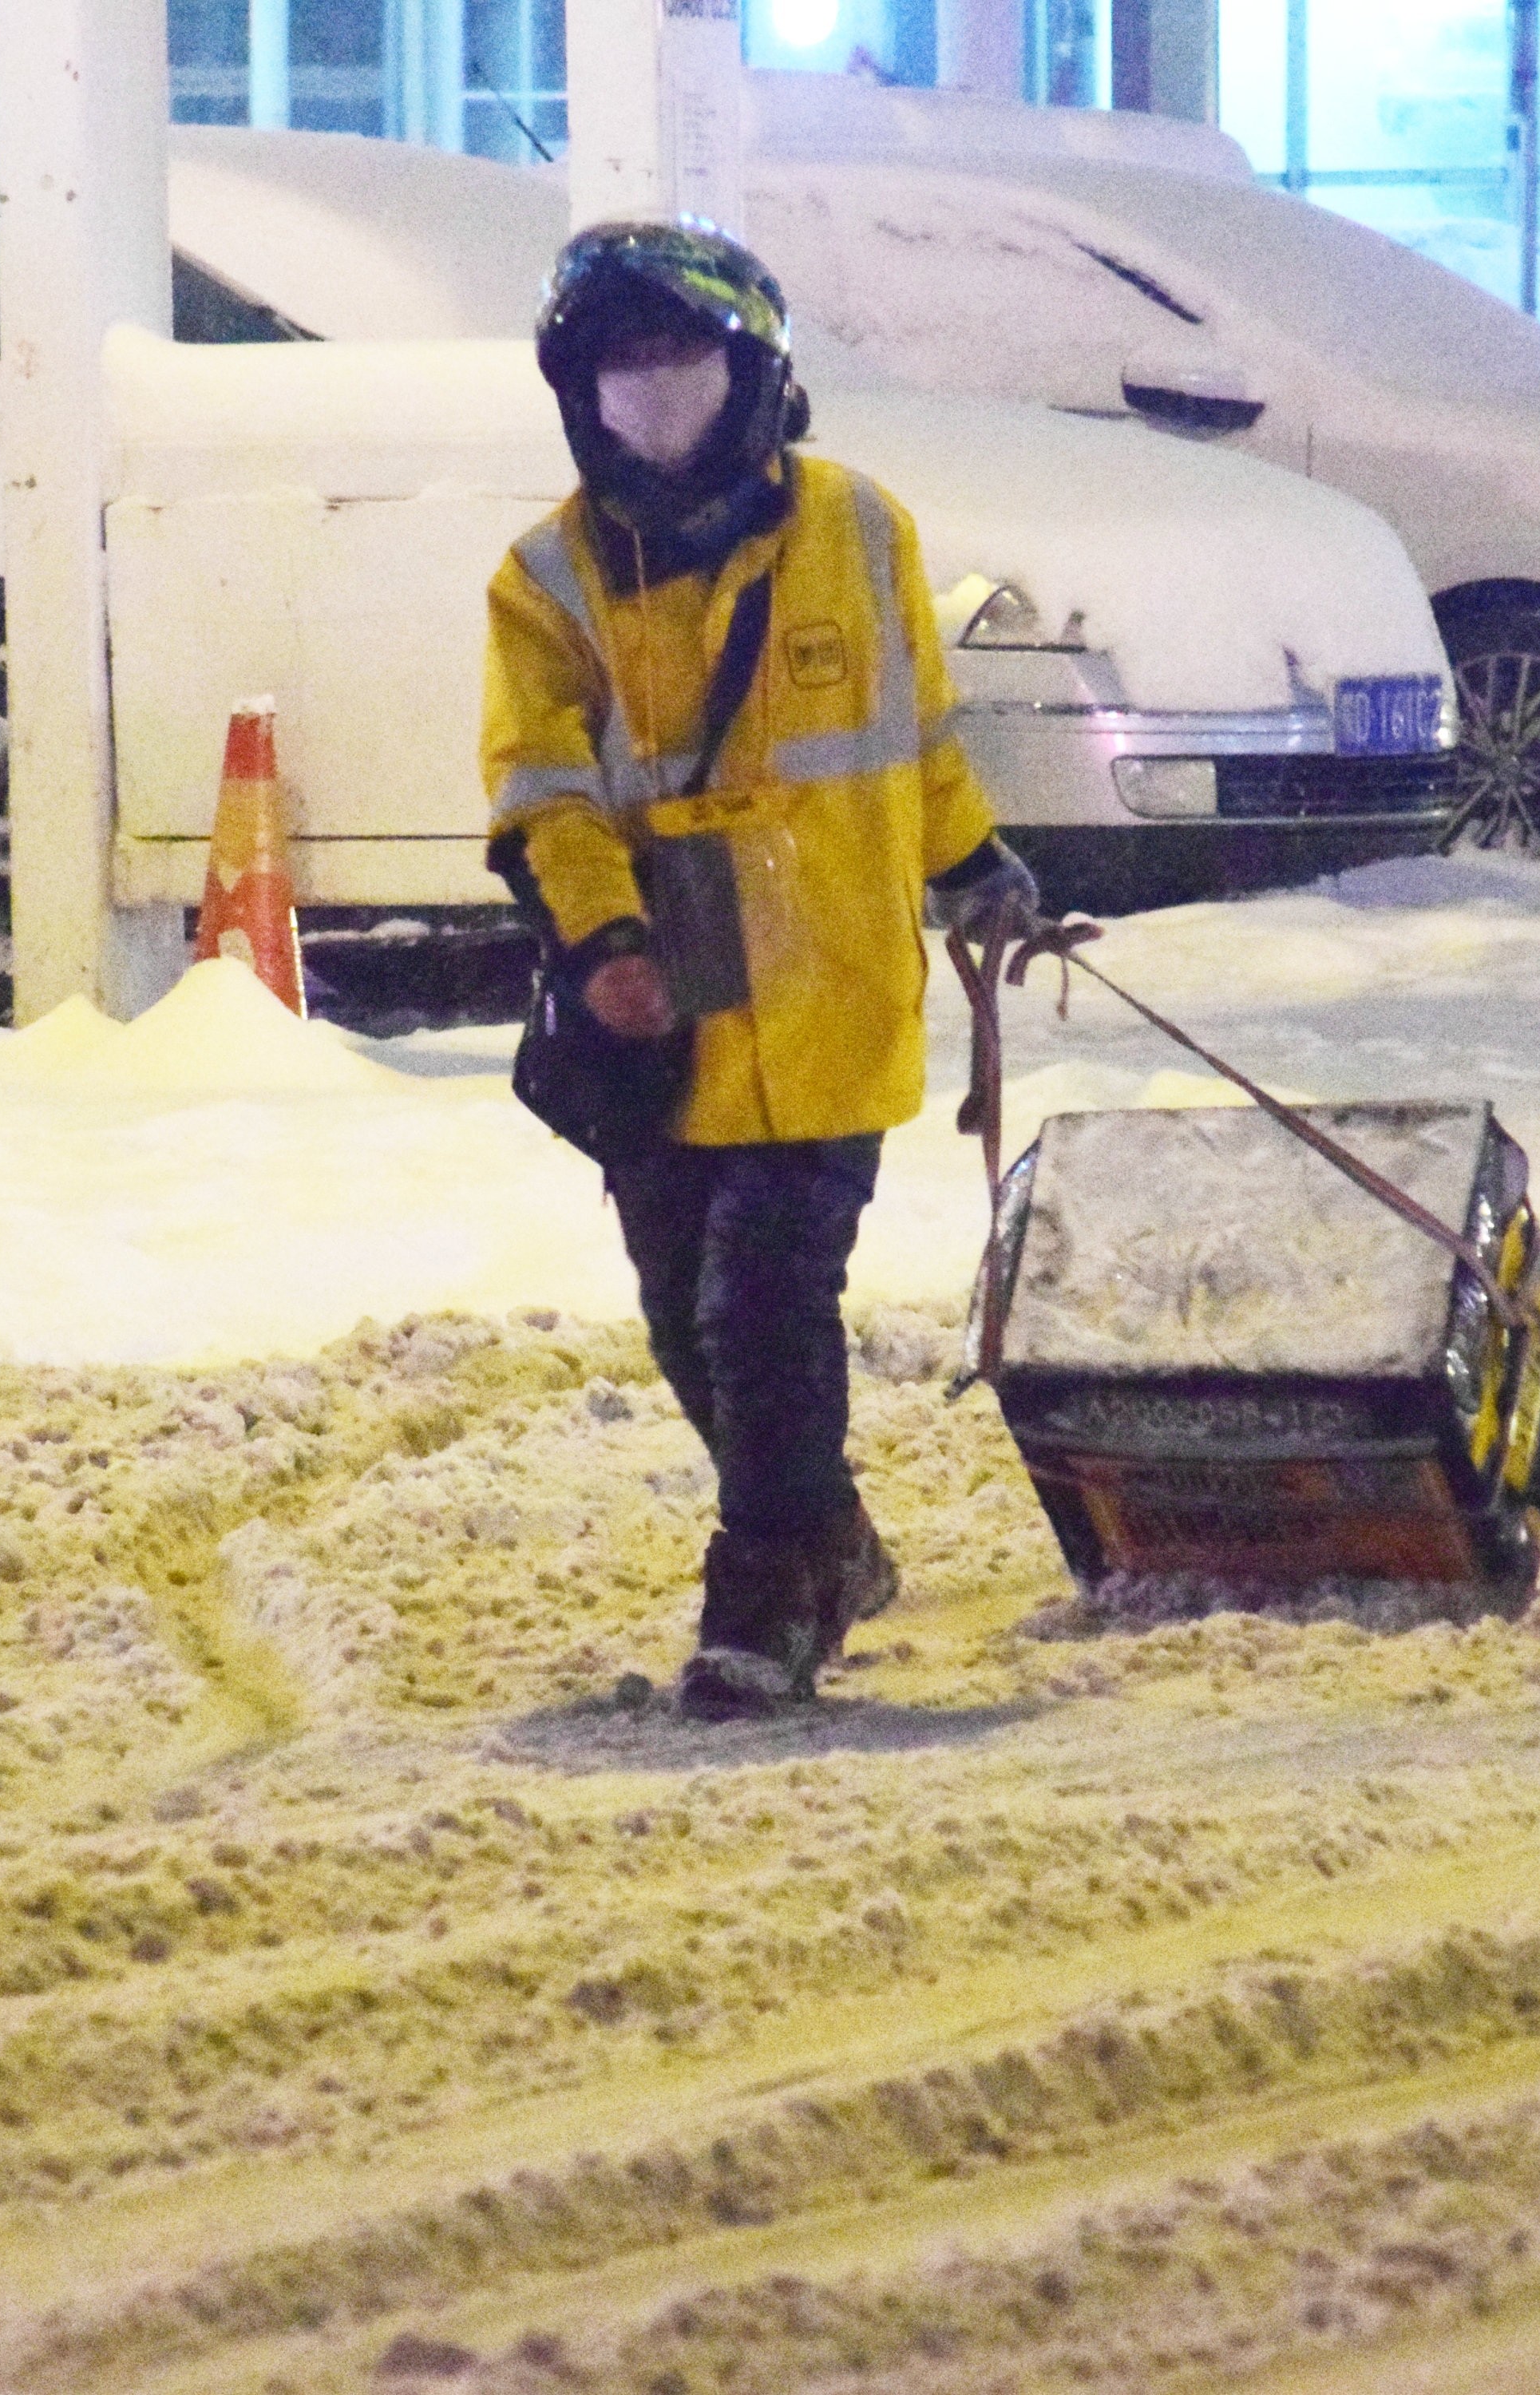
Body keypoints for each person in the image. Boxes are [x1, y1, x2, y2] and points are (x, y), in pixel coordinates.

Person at [479, 220, 1040, 1720]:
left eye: (681, 352)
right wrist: (601, 944)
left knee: (762, 1304)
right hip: (659, 1020)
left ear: (756, 369)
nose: (651, 387)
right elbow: (542, 792)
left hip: (833, 994)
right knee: (687, 1320)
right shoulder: (546, 579)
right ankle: (830, 1542)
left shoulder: (864, 530)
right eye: (620, 362)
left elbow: (916, 735)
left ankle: (764, 1604)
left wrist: (976, 864)